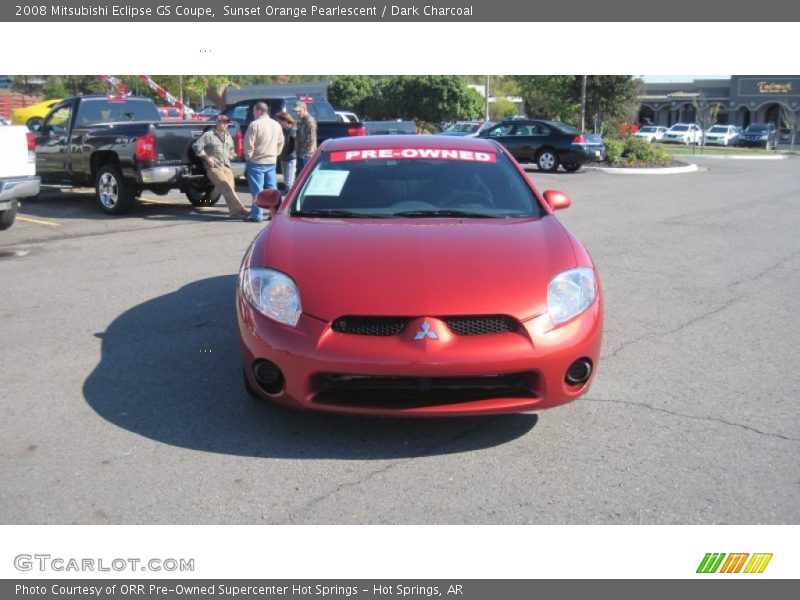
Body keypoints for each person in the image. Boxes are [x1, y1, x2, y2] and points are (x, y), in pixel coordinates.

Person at [191, 115, 248, 219]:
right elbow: (196, 146)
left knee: (230, 189)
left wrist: (232, 155)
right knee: (226, 187)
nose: (225, 125)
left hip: (226, 166)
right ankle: (241, 209)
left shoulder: (228, 136)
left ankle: (233, 213)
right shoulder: (209, 135)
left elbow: (231, 149)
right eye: (223, 122)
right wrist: (207, 158)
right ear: (217, 123)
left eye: (227, 123)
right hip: (214, 167)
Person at [244, 101, 284, 222]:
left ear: (259, 111)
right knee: (272, 188)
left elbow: (248, 143)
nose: (253, 113)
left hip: (257, 161)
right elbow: (281, 141)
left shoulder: (254, 125)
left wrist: (248, 156)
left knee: (257, 189)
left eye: (254, 111)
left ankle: (257, 215)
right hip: (271, 160)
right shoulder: (276, 124)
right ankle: (274, 213)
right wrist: (276, 153)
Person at [293, 101, 317, 178]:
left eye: (299, 111)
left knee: (303, 177)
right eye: (296, 112)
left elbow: (311, 139)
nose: (297, 113)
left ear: (304, 109)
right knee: (299, 177)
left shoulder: (310, 120)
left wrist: (302, 151)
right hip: (300, 154)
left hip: (306, 155)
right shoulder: (302, 120)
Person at [275, 111, 297, 193]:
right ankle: (287, 193)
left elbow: (293, 145)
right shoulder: (283, 130)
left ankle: (290, 196)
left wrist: (287, 153)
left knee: (289, 181)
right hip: (284, 157)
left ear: (284, 120)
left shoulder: (292, 130)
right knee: (286, 179)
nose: (279, 123)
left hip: (290, 157)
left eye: (279, 121)